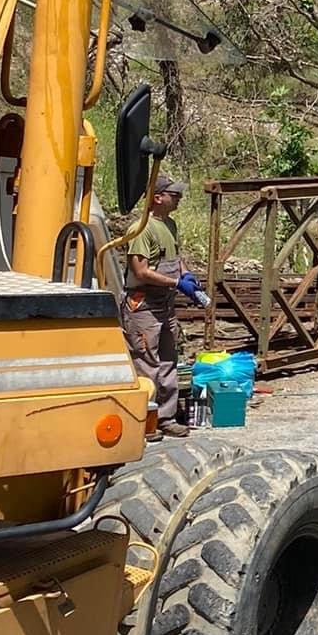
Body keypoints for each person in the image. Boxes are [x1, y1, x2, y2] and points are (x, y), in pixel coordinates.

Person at [122, 175, 204, 439]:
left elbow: (175, 259)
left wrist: (187, 276)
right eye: (174, 194)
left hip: (164, 304)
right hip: (144, 306)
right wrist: (177, 282)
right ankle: (145, 422)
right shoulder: (141, 229)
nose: (178, 198)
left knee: (168, 361)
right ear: (157, 198)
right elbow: (141, 271)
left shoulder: (169, 224)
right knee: (146, 363)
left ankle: (166, 418)